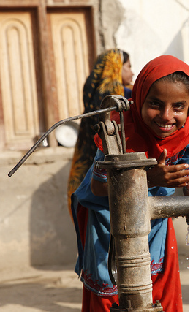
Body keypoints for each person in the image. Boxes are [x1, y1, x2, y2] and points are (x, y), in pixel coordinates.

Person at [71, 55, 189, 312]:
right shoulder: (118, 128)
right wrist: (149, 179)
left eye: (178, 107)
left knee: (158, 291)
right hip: (108, 219)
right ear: (138, 99)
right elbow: (98, 188)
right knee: (111, 293)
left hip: (155, 217)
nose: (166, 116)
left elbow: (187, 176)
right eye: (155, 104)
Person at [67, 49, 134, 219]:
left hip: (87, 178)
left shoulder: (93, 96)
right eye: (128, 66)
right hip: (114, 178)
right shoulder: (121, 98)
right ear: (116, 68)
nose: (132, 72)